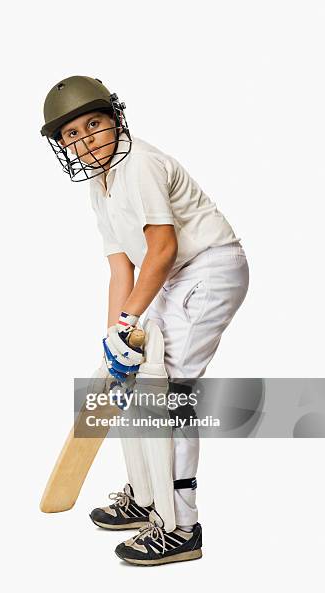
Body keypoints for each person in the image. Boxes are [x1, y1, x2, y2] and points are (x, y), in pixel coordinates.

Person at [41, 75, 249, 566]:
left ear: (115, 120)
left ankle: (180, 526)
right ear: (63, 145)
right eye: (72, 134)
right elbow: (121, 268)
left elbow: (163, 247)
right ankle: (146, 497)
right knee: (131, 378)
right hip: (172, 276)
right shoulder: (100, 185)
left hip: (208, 268)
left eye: (94, 124)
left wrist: (132, 315)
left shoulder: (140, 164)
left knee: (169, 388)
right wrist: (116, 331)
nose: (86, 138)